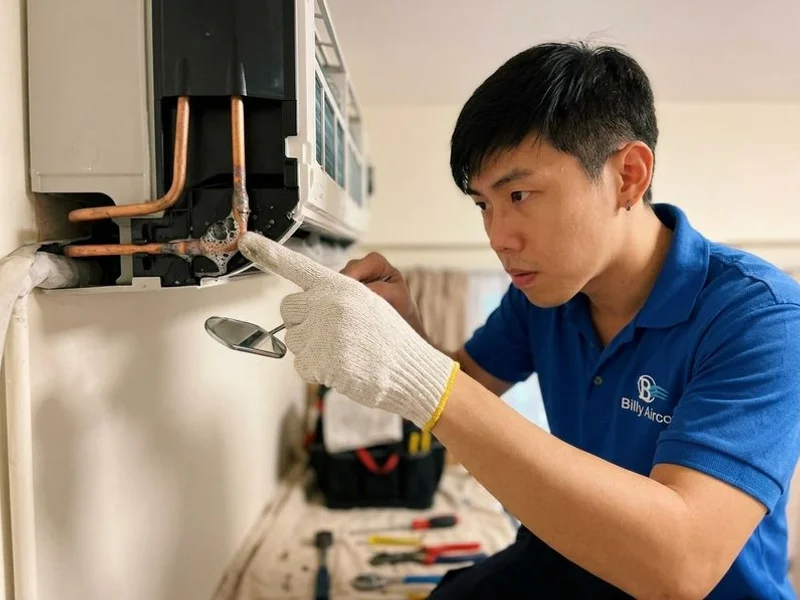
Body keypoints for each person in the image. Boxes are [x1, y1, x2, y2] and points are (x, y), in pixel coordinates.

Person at [238, 41, 800, 598]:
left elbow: (680, 566)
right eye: (484, 205)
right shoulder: (544, 296)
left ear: (628, 175)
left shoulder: (761, 318)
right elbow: (465, 390)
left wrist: (418, 375)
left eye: (521, 194)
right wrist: (402, 333)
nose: (497, 238)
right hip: (565, 557)